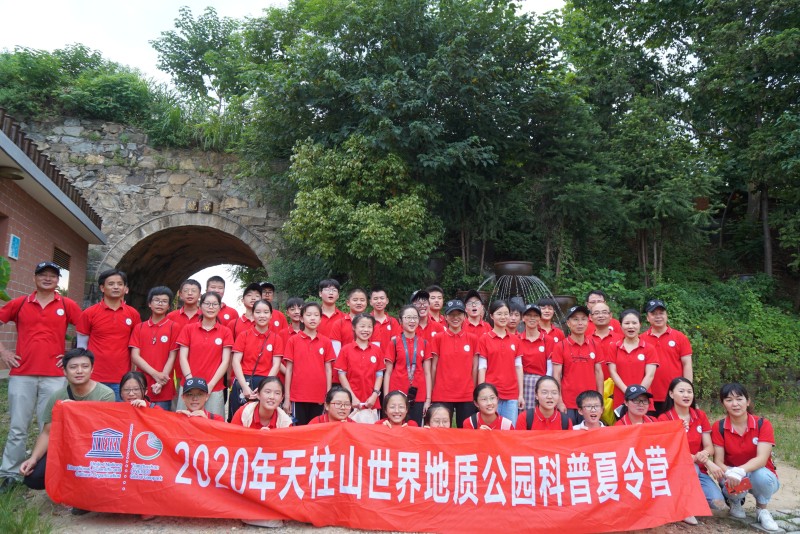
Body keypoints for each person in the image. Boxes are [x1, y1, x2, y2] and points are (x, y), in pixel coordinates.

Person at [0, 261, 82, 491]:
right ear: (34, 278)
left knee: (49, 426)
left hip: (54, 376)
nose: (47, 278)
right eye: (43, 275)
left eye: (52, 276)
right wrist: (3, 352)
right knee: (18, 426)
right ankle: (10, 473)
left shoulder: (66, 304)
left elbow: (85, 329)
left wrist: (72, 356)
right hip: (22, 373)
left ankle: (45, 471)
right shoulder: (20, 303)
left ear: (58, 281)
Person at [20, 348, 115, 493]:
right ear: (65, 371)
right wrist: (33, 458)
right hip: (66, 446)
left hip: (93, 449)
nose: (79, 371)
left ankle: (83, 491)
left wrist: (75, 409)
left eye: (85, 366)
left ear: (92, 369)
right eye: (73, 367)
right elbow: (47, 432)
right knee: (33, 478)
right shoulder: (58, 396)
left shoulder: (105, 394)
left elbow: (102, 431)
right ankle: (68, 486)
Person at [711, 382, 780, 532]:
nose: (735, 404)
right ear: (723, 404)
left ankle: (761, 510)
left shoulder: (762, 424)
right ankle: (735, 502)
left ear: (747, 401)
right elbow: (718, 461)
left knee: (761, 475)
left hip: (758, 474)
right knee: (730, 477)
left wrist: (740, 471)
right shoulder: (718, 427)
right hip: (732, 474)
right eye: (729, 400)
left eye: (739, 399)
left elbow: (762, 459)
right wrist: (731, 472)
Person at [658, 378, 725, 524]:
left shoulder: (700, 415)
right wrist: (706, 461)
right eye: (681, 391)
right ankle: (684, 508)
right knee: (691, 467)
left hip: (699, 469)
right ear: (671, 394)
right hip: (676, 469)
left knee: (718, 503)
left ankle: (688, 498)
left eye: (689, 391)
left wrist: (704, 455)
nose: (686, 395)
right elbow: (668, 450)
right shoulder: (664, 419)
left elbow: (709, 447)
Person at [76, 269, 140, 400]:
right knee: (93, 412)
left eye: (120, 284)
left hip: (122, 379)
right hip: (94, 377)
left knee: (118, 413)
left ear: (125, 288)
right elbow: (81, 346)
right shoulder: (89, 313)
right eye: (111, 284)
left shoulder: (133, 314)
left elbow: (136, 347)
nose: (116, 287)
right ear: (102, 288)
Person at [176, 291, 233, 418]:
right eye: (207, 304)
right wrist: (190, 381)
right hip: (188, 386)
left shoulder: (225, 332)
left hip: (214, 387)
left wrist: (211, 385)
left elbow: (225, 361)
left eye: (214, 304)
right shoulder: (188, 329)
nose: (211, 307)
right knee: (183, 422)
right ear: (200, 306)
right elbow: (183, 357)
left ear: (220, 307)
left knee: (213, 424)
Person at [230, 299, 284, 420]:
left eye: (266, 312)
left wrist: (264, 388)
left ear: (271, 315)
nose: (262, 315)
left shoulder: (276, 338)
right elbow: (235, 361)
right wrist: (244, 387)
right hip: (244, 381)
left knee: (263, 419)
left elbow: (276, 364)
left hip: (266, 382)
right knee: (239, 419)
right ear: (253, 314)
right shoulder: (243, 335)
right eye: (258, 312)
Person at [283, 302, 336, 425]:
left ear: (320, 319)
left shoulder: (326, 342)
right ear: (302, 318)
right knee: (299, 430)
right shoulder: (293, 340)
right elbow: (289, 370)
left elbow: (328, 370)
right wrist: (287, 398)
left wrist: (328, 396)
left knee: (317, 430)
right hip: (298, 396)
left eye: (316, 315)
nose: (312, 318)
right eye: (309, 315)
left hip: (319, 396)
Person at [430, 299, 478, 427]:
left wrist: (473, 390)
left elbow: (475, 367)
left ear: (465, 316)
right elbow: (433, 367)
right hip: (442, 393)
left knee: (466, 431)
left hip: (466, 393)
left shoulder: (472, 339)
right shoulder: (438, 338)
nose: (455, 318)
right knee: (441, 429)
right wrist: (433, 390)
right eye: (451, 314)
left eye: (459, 314)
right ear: (445, 317)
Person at [552, 305, 604, 424]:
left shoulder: (595, 345)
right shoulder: (560, 346)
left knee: (590, 433)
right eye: (575, 319)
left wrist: (600, 400)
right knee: (569, 432)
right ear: (568, 323)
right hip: (568, 402)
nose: (580, 323)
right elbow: (556, 375)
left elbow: (599, 373)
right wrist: (559, 401)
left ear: (588, 322)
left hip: (591, 403)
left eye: (583, 319)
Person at [129, 286, 179, 410]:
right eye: (156, 300)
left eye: (164, 301)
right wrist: (155, 374)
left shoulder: (174, 327)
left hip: (164, 385)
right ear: (149, 304)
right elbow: (135, 356)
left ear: (169, 306)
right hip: (141, 384)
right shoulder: (139, 327)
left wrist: (160, 381)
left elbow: (172, 356)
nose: (160, 304)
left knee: (161, 419)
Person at [384, 305, 432, 426]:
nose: (412, 321)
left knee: (415, 428)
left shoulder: (424, 343)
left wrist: (428, 399)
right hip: (397, 391)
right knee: (395, 427)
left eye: (415, 317)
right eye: (408, 317)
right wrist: (386, 397)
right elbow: (388, 372)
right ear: (401, 320)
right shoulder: (394, 342)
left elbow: (427, 373)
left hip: (418, 393)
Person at [477, 300, 524, 422]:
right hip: (491, 394)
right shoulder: (484, 339)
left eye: (506, 313)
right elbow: (482, 368)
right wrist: (481, 393)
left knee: (510, 428)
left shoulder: (516, 340)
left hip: (511, 394)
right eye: (499, 314)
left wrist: (520, 394)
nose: (503, 317)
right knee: (490, 428)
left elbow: (519, 367)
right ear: (491, 316)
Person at [641, 299, 693, 412]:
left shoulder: (680, 337)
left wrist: (687, 390)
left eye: (661, 313)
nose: (658, 317)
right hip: (648, 395)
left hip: (674, 395)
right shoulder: (641, 339)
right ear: (647, 318)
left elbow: (687, 364)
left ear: (666, 315)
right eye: (654, 314)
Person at [607, 309, 658, 411]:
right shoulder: (614, 347)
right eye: (627, 323)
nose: (631, 326)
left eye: (634, 323)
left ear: (640, 325)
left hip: (643, 400)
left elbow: (650, 375)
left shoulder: (649, 348)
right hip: (621, 399)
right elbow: (613, 372)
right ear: (621, 326)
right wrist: (629, 393)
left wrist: (638, 395)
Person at [335, 314, 384, 418]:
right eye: (362, 326)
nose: (366, 330)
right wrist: (351, 397)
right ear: (354, 327)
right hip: (349, 402)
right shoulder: (346, 350)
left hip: (371, 402)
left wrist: (375, 395)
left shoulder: (377, 350)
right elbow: (341, 375)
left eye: (369, 326)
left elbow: (379, 375)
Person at [518, 304, 552, 412]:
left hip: (541, 381)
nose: (532, 318)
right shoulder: (517, 339)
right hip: (521, 382)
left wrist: (546, 384)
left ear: (539, 318)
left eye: (535, 316)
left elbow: (550, 365)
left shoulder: (547, 340)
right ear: (523, 318)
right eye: (529, 315)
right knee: (522, 415)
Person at [330, 288, 370, 354]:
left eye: (362, 300)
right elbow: (336, 352)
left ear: (366, 303)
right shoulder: (339, 324)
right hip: (344, 359)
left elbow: (375, 350)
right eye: (355, 300)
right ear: (348, 303)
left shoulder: (373, 324)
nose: (359, 303)